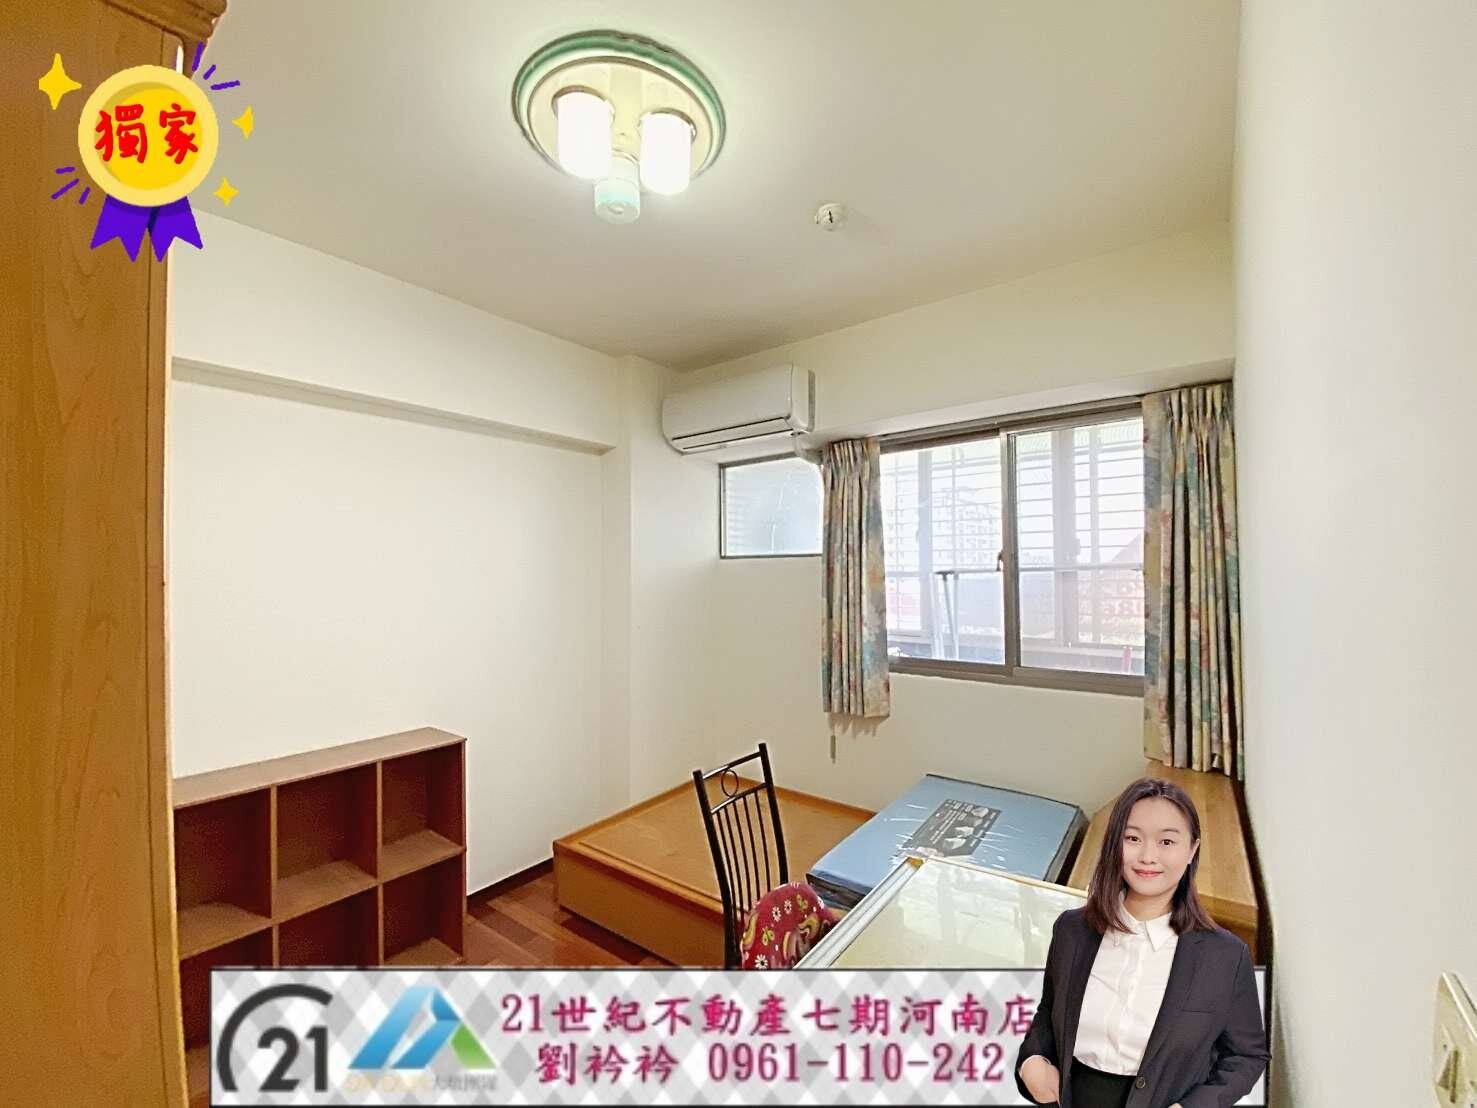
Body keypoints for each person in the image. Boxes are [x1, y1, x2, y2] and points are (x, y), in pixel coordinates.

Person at [1014, 777, 1268, 1107]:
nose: (1148, 856)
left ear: (1192, 849)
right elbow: (1049, 1013)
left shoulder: (1225, 956)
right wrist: (1031, 1060)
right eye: (1133, 838)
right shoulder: (1071, 930)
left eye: (1167, 842)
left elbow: (1247, 1056)